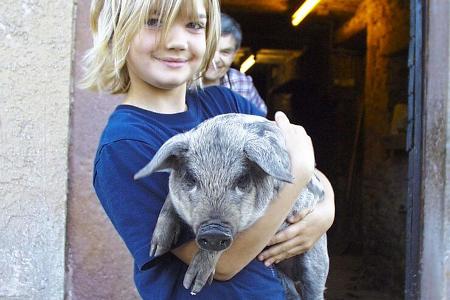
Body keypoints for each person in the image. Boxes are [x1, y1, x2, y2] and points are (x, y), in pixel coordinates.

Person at [81, 0, 334, 299]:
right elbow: (224, 264)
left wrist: (325, 210)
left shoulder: (228, 103)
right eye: (153, 22)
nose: (176, 42)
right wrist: (299, 175)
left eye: (193, 25)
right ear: (114, 34)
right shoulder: (125, 146)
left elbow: (300, 170)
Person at [202, 13, 268, 115]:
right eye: (209, 49)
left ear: (234, 54)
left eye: (225, 52)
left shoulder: (241, 82)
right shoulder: (180, 81)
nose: (215, 59)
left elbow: (261, 122)